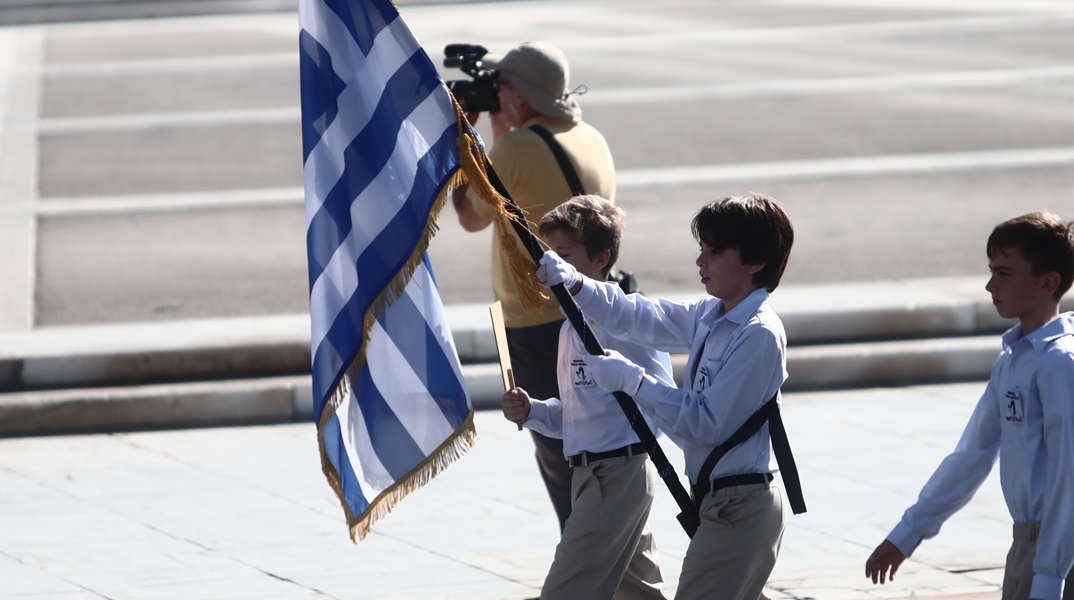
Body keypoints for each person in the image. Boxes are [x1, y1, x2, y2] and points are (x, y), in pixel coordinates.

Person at [537, 193, 798, 600]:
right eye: (702, 250)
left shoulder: (758, 334)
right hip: (719, 502)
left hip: (742, 506)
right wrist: (577, 282)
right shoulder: (712, 316)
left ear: (755, 263)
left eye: (714, 252)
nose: (700, 261)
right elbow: (638, 315)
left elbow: (705, 425)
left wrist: (635, 381)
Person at [865, 211, 1074, 600]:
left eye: (1004, 274)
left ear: (1048, 282)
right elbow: (971, 456)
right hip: (1028, 545)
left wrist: (1050, 575)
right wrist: (908, 533)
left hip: (1058, 554)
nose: (990, 285)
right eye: (991, 271)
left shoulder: (1059, 363)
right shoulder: (1012, 360)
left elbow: (1069, 474)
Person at [451, 41, 615, 532]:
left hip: (535, 320)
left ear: (519, 96)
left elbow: (468, 217)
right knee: (591, 447)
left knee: (558, 452)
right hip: (591, 312)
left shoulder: (514, 148)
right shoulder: (590, 137)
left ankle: (582, 568)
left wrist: (464, 135)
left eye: (500, 86)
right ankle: (604, 561)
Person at [502, 194, 671, 599]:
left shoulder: (628, 319)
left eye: (563, 254)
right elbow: (579, 412)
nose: (549, 266)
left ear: (601, 258)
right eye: (550, 254)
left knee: (567, 588)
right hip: (590, 474)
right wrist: (535, 411)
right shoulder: (568, 328)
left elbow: (662, 400)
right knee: (640, 592)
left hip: (616, 473)